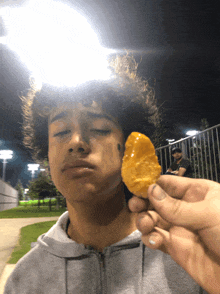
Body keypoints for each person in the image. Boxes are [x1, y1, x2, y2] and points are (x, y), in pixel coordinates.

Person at [4, 69, 219, 293]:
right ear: (46, 152)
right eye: (60, 131)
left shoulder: (196, 255)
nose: (76, 142)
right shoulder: (23, 281)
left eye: (99, 129)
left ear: (129, 150)